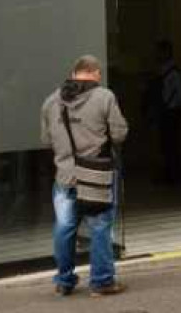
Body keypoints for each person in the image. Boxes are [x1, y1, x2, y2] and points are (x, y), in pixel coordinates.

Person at [40, 55, 128, 297]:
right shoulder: (104, 96)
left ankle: (64, 282)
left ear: (74, 72)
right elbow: (120, 134)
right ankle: (101, 283)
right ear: (95, 73)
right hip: (96, 176)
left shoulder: (50, 101)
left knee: (64, 227)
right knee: (100, 227)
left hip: (65, 176)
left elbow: (46, 140)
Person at [153, 40, 181, 185]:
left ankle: (174, 175)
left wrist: (172, 107)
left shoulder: (173, 72)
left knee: (171, 144)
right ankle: (169, 173)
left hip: (171, 112)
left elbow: (179, 94)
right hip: (165, 110)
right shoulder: (162, 70)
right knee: (165, 144)